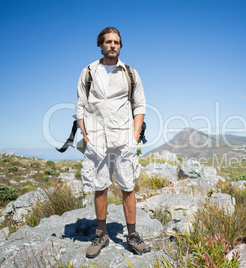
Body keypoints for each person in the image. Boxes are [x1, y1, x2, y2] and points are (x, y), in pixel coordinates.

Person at [74, 27, 150, 258]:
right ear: (100, 45)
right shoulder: (88, 72)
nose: (112, 45)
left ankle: (132, 236)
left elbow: (140, 106)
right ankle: (101, 234)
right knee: (100, 187)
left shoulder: (129, 73)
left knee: (128, 187)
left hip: (124, 139)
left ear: (120, 45)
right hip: (97, 139)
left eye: (116, 42)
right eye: (108, 42)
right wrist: (86, 137)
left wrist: (134, 137)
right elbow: (80, 108)